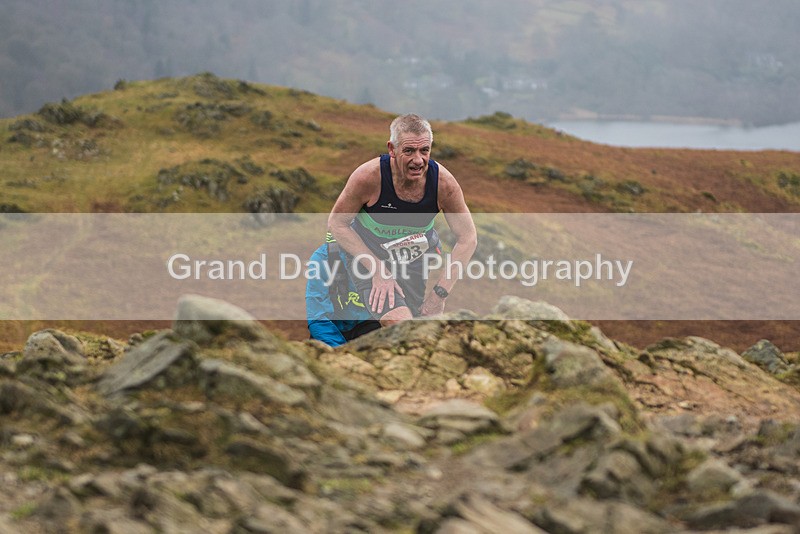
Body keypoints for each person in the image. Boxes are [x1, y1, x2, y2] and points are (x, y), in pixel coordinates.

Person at [328, 113, 477, 326]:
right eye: (409, 151)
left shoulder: (443, 184)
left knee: (416, 325)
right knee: (400, 323)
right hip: (369, 252)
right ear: (392, 149)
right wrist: (378, 270)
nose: (418, 160)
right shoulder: (368, 177)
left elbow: (468, 238)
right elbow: (337, 223)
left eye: (424, 150)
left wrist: (439, 295)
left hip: (413, 259)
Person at [305, 233, 381, 347]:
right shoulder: (323, 258)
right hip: (333, 326)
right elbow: (317, 316)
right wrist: (339, 351)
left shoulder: (384, 255)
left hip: (369, 324)